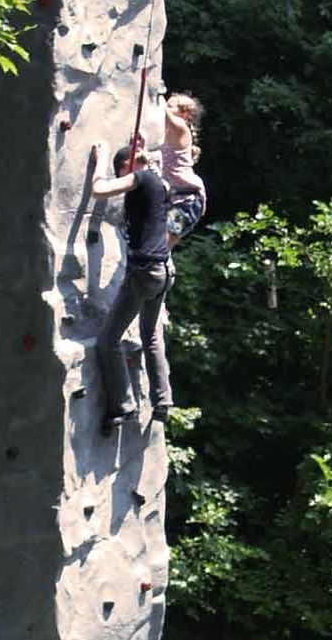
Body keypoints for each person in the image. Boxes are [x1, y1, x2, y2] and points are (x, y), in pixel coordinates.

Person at [89, 142, 173, 431]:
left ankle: (124, 405)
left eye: (120, 171)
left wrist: (99, 163)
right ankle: (162, 400)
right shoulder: (159, 185)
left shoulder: (144, 177)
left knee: (107, 340)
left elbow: (99, 189)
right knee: (150, 336)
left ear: (127, 167)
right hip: (163, 268)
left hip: (144, 271)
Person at [161, 92, 207, 248]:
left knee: (162, 244)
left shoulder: (181, 129)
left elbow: (162, 111)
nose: (165, 106)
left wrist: (155, 95)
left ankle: (161, 270)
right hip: (173, 199)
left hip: (188, 201)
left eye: (170, 106)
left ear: (184, 114)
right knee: (156, 245)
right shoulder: (164, 134)